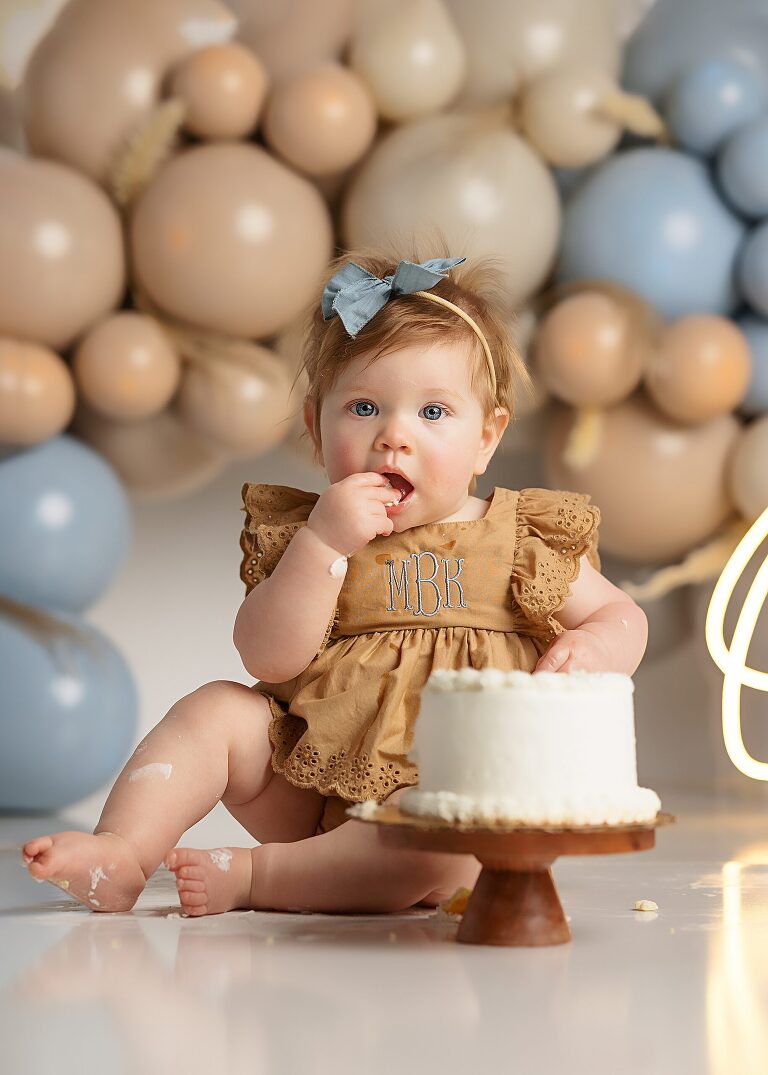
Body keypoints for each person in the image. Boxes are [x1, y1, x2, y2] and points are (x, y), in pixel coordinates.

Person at [21, 246, 648, 917]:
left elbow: (621, 617)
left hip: (454, 816)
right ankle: (123, 851)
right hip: (313, 788)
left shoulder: (517, 536)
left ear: (487, 437)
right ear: (317, 428)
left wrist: (595, 649)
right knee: (216, 710)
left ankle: (262, 876)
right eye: (365, 407)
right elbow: (268, 657)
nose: (394, 437)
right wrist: (323, 542)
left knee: (429, 828)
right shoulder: (313, 535)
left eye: (433, 413)